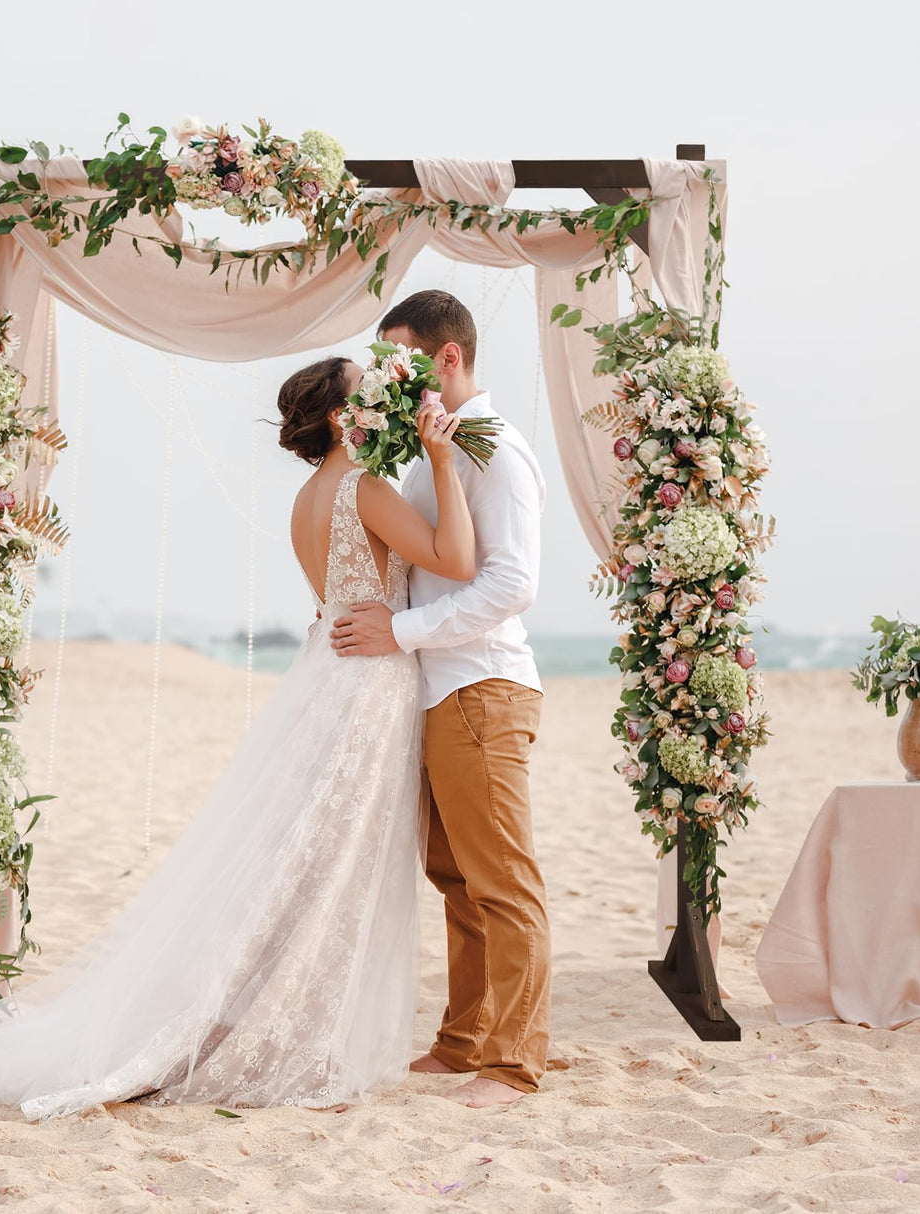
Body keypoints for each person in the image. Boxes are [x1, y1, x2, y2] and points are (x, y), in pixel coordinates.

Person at [0, 355, 475, 1118]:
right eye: (369, 390)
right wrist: (445, 462)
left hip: (328, 673)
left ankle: (254, 1010)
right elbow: (455, 559)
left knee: (302, 861)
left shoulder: (307, 498)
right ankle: (279, 1029)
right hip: (366, 688)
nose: (383, 397)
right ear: (338, 417)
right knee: (334, 868)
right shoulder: (365, 488)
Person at [330, 289, 551, 1109]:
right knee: (455, 879)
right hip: (436, 689)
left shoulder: (497, 451)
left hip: (482, 686)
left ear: (446, 358)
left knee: (503, 882)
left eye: (400, 358)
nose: (389, 374)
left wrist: (405, 630)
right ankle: (464, 1043)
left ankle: (515, 1063)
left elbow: (512, 585)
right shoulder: (434, 451)